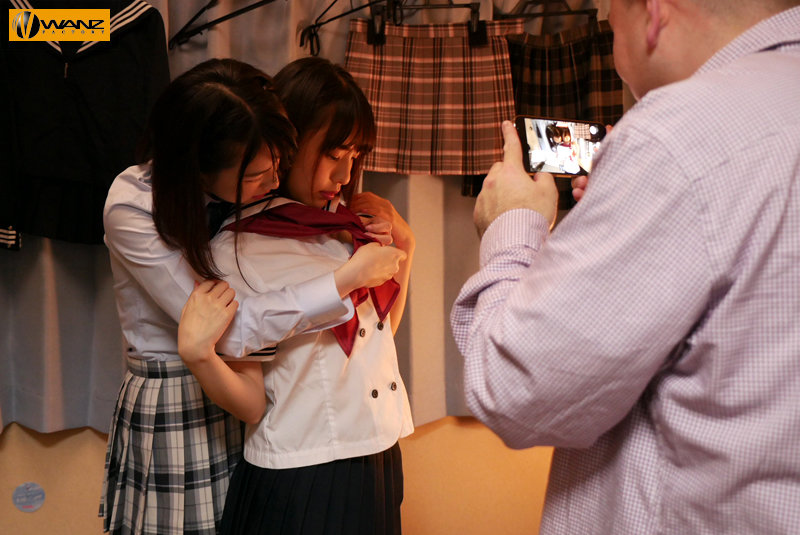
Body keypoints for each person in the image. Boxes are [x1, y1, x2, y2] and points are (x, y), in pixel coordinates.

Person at [450, 0, 800, 533]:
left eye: (611, 20)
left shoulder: (677, 134)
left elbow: (513, 390)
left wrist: (512, 226)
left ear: (653, 12)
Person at [101, 58, 401, 535]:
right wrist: (342, 281)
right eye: (257, 174)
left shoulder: (292, 216)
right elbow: (229, 328)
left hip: (252, 403)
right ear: (199, 167)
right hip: (179, 390)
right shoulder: (136, 207)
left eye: (279, 163)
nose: (273, 181)